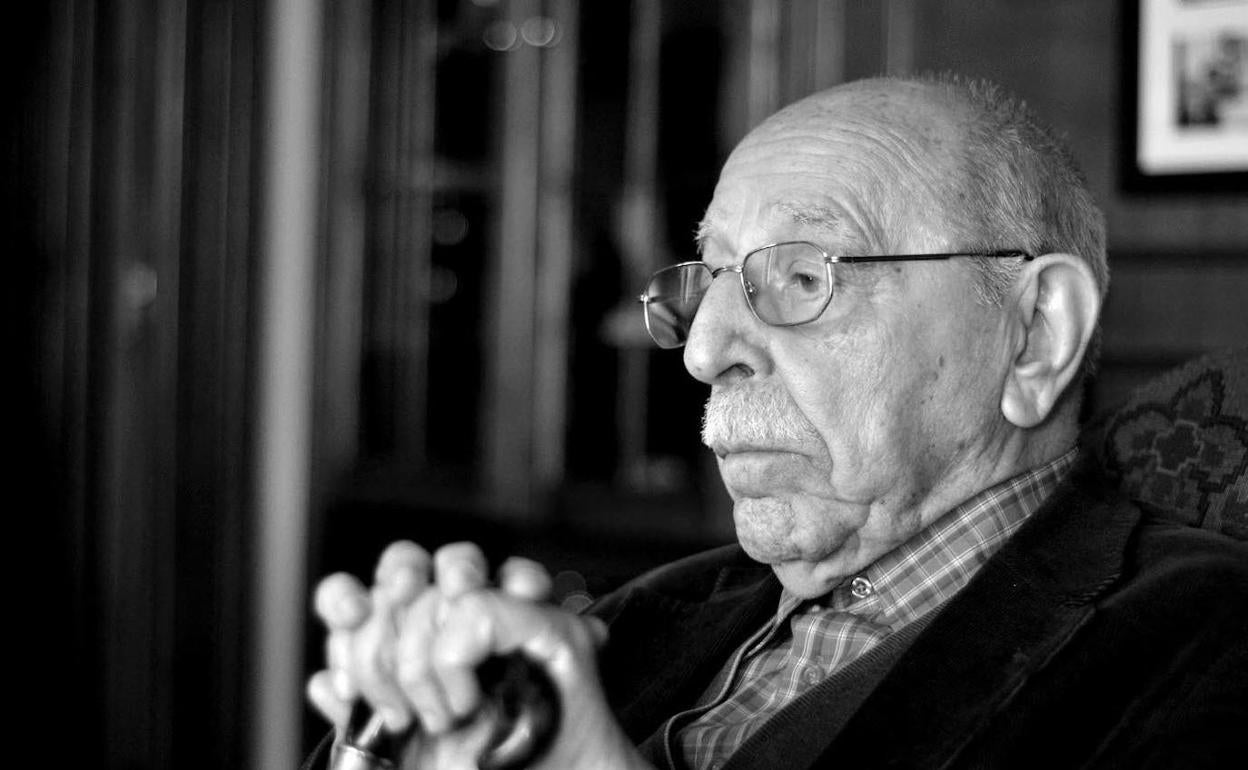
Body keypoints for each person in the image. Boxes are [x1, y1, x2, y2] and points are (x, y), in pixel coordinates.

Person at [306, 74, 1248, 769]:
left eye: (803, 276)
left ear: (1036, 334)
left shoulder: (1205, 649)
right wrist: (387, 741)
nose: (703, 349)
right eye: (708, 280)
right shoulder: (647, 613)